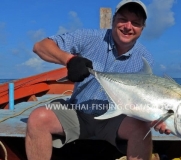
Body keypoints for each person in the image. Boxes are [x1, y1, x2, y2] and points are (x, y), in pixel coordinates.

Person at [25, 0, 171, 160]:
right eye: (123, 19)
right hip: (78, 112)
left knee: (141, 129)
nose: (128, 27)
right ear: (113, 20)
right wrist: (69, 60)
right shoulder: (89, 37)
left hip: (114, 118)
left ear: (142, 29)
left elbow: (144, 98)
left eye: (135, 23)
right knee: (38, 118)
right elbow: (40, 46)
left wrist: (157, 117)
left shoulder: (144, 59)